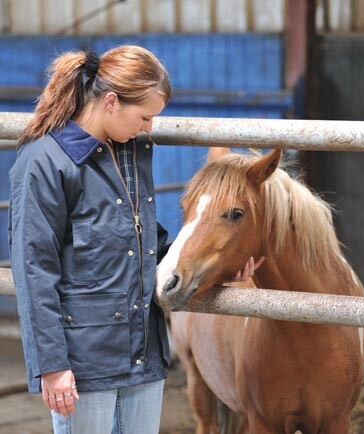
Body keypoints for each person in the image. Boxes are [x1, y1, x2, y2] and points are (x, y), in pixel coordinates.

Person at [8, 45, 258, 434]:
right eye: (145, 116)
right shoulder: (45, 162)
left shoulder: (132, 154)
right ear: (110, 101)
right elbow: (34, 269)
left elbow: (150, 246)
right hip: (84, 362)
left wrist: (216, 269)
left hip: (144, 353)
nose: (148, 127)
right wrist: (52, 365)